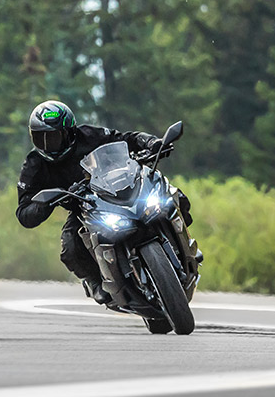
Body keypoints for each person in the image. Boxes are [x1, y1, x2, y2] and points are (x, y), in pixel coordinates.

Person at [15, 99, 192, 303]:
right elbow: (24, 212)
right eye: (41, 138)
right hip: (86, 207)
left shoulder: (89, 135)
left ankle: (184, 241)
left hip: (119, 188)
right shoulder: (34, 164)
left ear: (70, 131)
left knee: (169, 194)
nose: (48, 145)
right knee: (70, 249)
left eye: (54, 137)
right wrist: (47, 201)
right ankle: (96, 282)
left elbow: (125, 139)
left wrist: (151, 143)